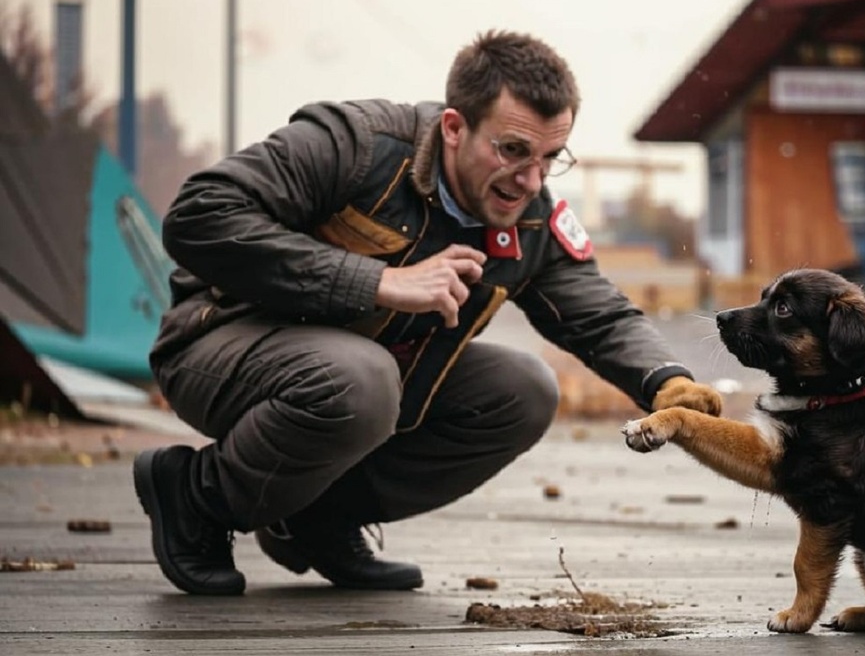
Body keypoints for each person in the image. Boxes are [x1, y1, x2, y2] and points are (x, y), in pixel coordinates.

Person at [133, 29, 722, 596]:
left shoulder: (533, 216)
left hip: (354, 384)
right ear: (453, 127)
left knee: (524, 391)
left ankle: (313, 520)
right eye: (513, 151)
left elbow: (600, 316)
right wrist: (378, 281)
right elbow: (199, 214)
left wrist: (667, 381)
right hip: (215, 346)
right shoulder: (357, 145)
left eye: (550, 156)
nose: (531, 180)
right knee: (361, 377)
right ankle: (196, 495)